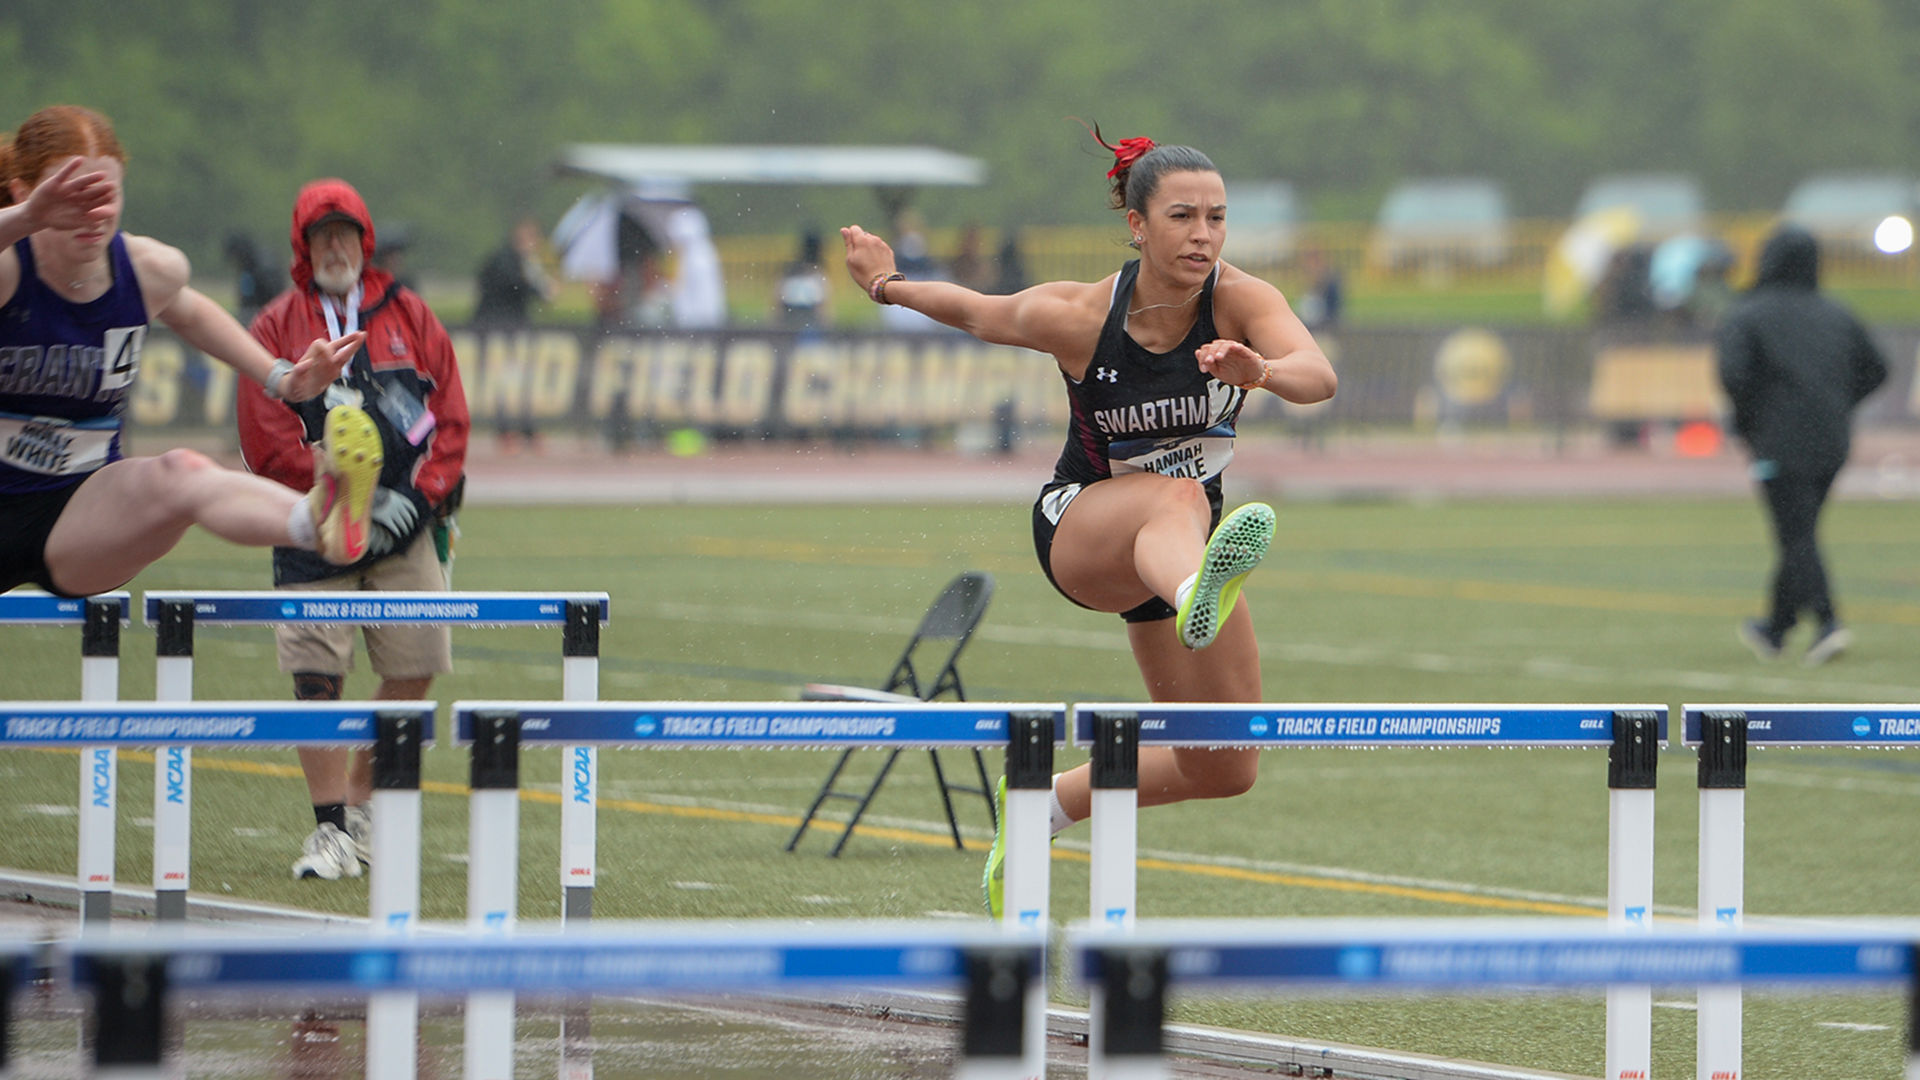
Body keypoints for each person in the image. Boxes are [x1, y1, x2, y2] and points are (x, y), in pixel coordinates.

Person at [842, 129, 1336, 916]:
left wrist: (1263, 372)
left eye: (1217, 217)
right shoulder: (1080, 314)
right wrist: (886, 283)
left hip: (1173, 556)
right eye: (1182, 216)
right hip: (1083, 531)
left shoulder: (1242, 300)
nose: (1203, 234)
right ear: (1138, 225)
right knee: (1176, 497)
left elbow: (1320, 377)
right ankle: (1196, 595)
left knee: (1225, 765)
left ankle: (1044, 802)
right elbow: (978, 311)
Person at [0, 105, 375, 600]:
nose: (92, 215)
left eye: (106, 196)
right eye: (71, 199)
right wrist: (28, 219)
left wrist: (284, 378)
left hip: (80, 515)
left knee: (183, 472)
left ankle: (318, 519)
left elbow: (193, 314)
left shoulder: (145, 270)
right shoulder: (10, 269)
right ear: (26, 193)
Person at [237, 178, 470, 881]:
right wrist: (328, 499)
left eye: (345, 232)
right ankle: (329, 829)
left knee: (416, 660)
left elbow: (450, 419)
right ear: (303, 248)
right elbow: (261, 434)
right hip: (314, 523)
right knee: (317, 676)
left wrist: (423, 500)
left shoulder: (410, 315)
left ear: (365, 240)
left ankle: (363, 804)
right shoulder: (276, 325)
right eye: (321, 234)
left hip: (404, 523)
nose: (334, 244)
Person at [1717, 224, 1886, 666]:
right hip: (1832, 440)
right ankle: (1775, 628)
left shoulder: (1750, 312)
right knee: (1801, 530)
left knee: (1795, 535)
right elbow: (1877, 368)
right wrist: (1837, 401)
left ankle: (1829, 621)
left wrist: (1753, 419)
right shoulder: (1836, 313)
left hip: (1778, 441)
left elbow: (1733, 375)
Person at [473, 217, 556, 453]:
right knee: (504, 380)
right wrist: (539, 288)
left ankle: (526, 429)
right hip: (499, 326)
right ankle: (506, 430)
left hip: (515, 326)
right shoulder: (505, 259)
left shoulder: (525, 262)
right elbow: (513, 283)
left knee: (522, 380)